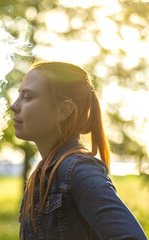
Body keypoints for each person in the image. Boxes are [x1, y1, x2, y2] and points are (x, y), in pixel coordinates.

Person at [9, 61, 148, 240]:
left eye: (27, 97)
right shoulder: (45, 173)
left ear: (64, 110)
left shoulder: (78, 170)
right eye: (18, 95)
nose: (14, 105)